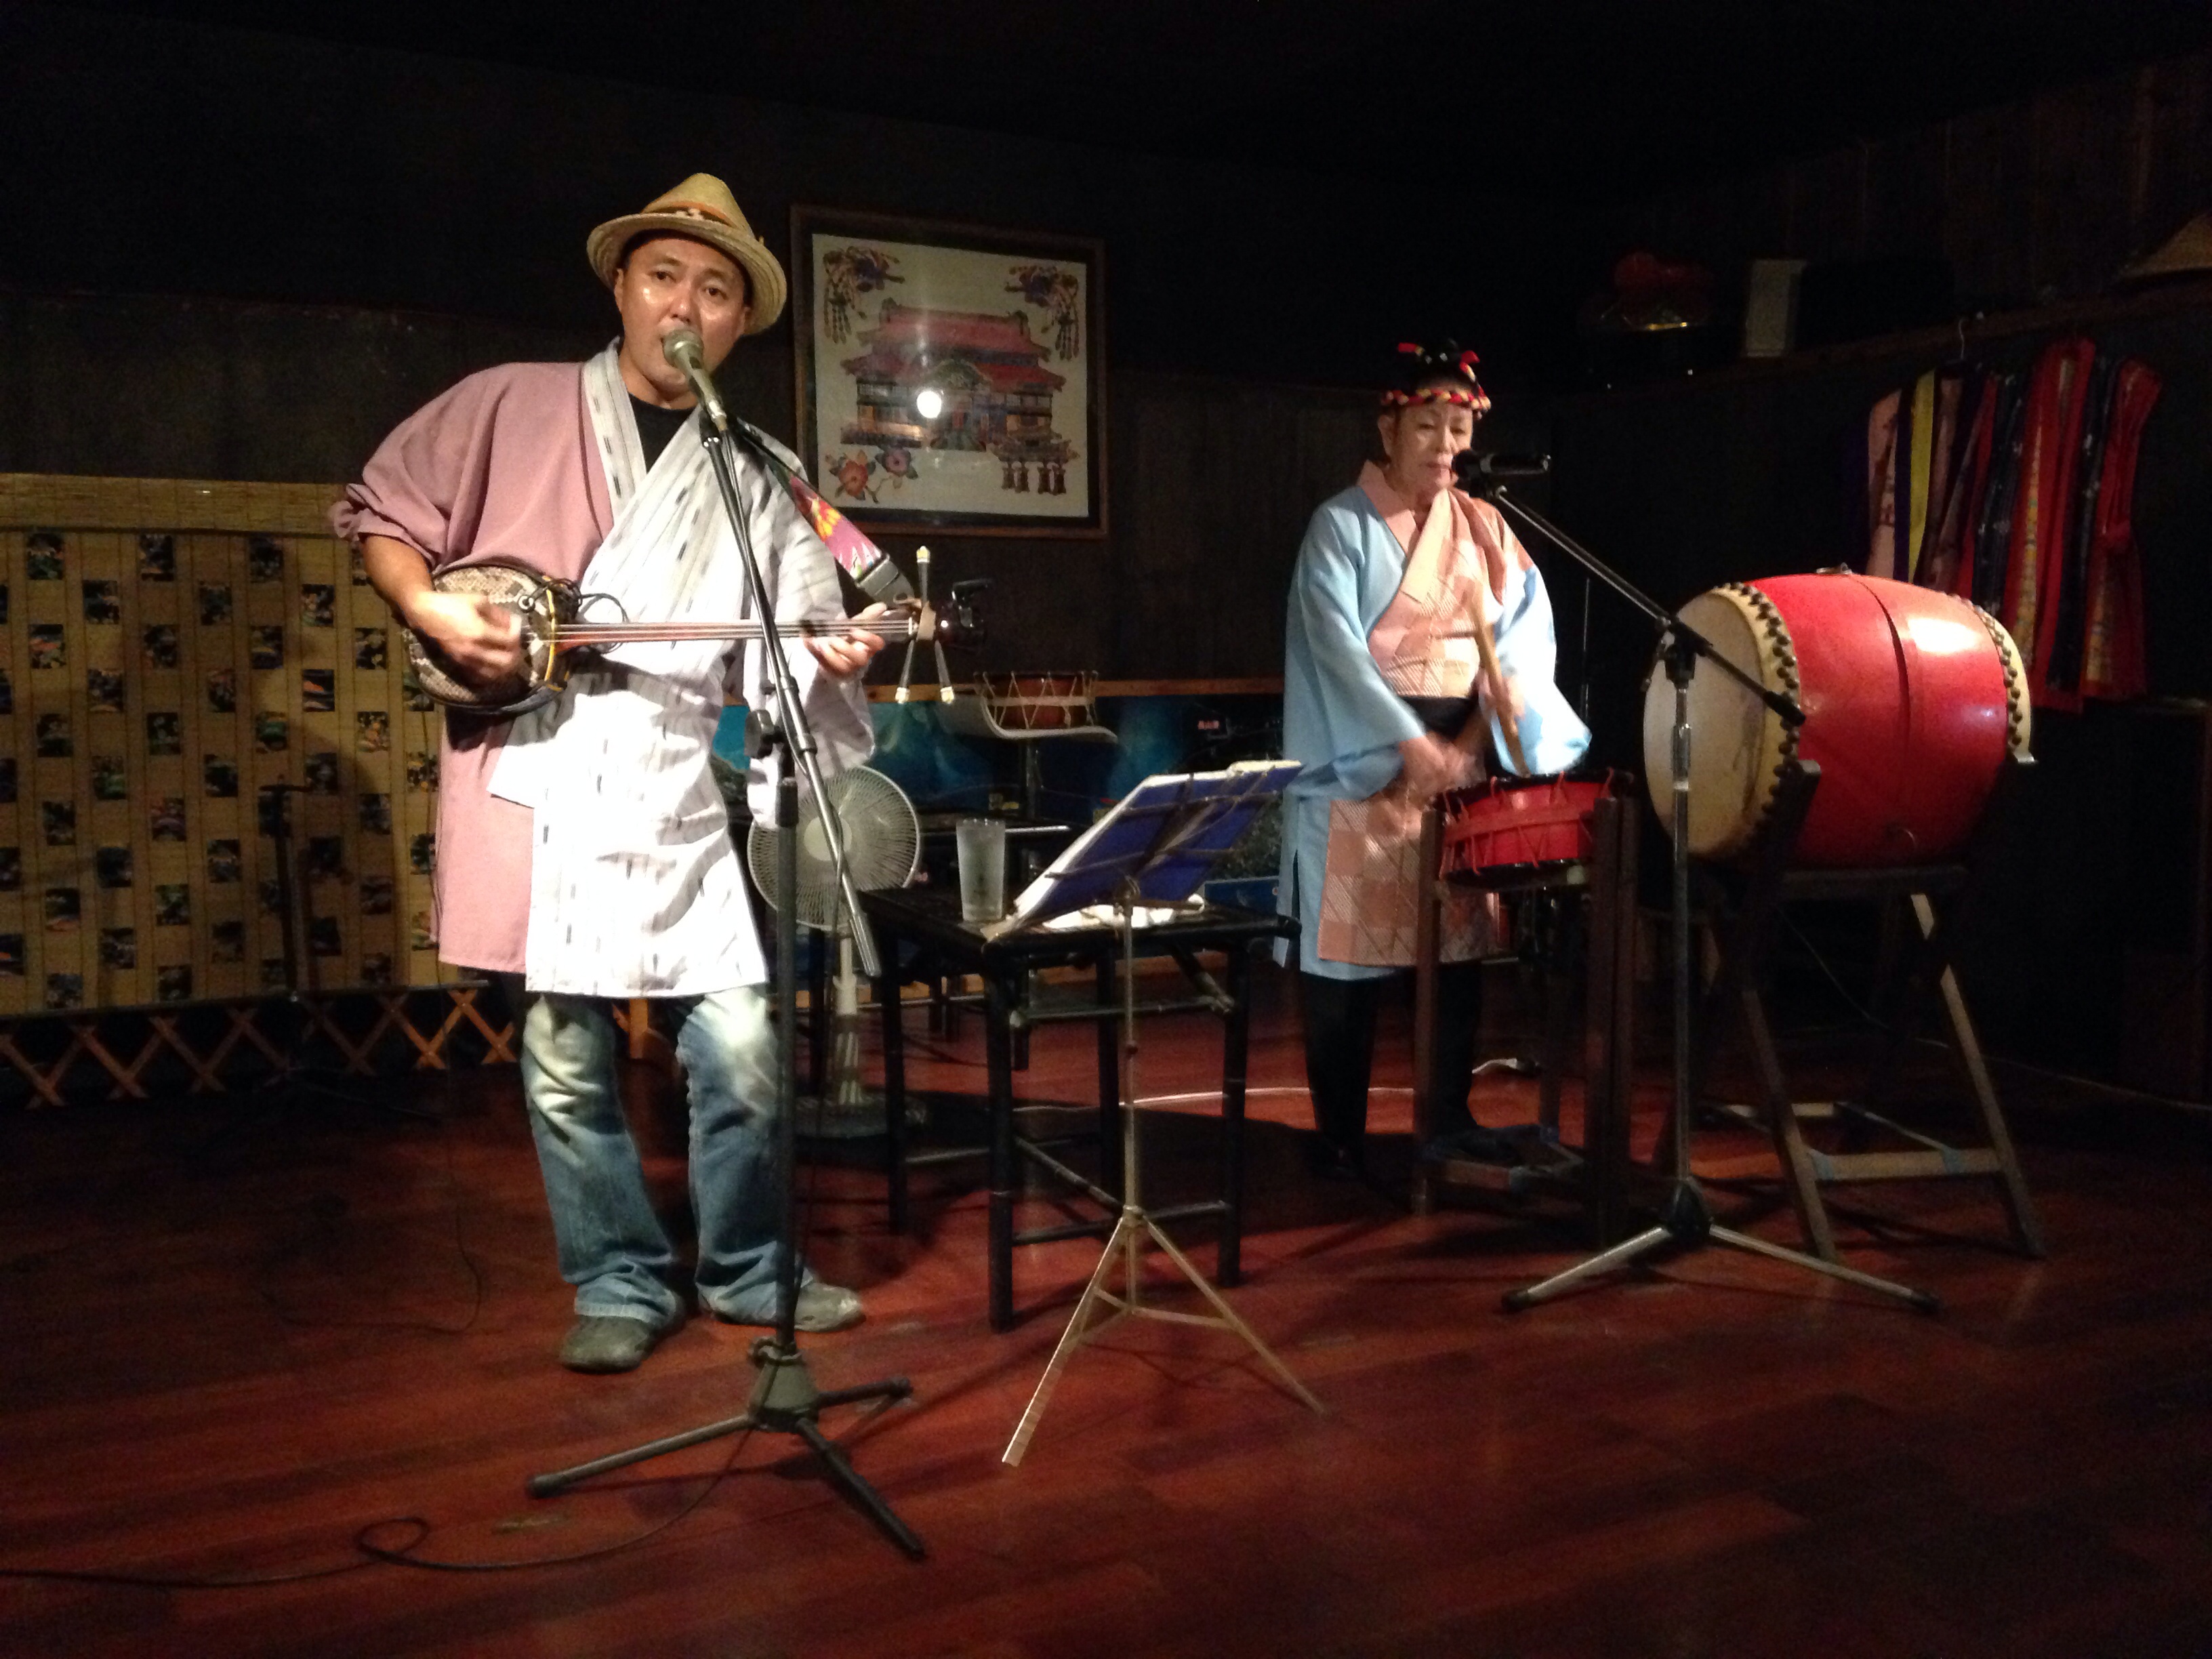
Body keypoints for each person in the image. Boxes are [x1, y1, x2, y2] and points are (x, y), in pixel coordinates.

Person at [333, 175, 886, 1374]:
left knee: (743, 1050)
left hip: (674, 784)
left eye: (717, 290)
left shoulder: (759, 468)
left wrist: (830, 651)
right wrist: (430, 606)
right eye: (665, 276)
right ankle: (618, 1276)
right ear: (623, 288)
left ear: (740, 322)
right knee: (564, 1056)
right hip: (538, 768)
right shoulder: (509, 402)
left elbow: (790, 639)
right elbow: (383, 512)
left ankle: (749, 1268)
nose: (686, 305)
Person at [1277, 342, 1589, 1179]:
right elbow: (1334, 649)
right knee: (1345, 966)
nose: (1446, 446)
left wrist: (1472, 743)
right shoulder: (1341, 526)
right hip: (1366, 763)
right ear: (1388, 429)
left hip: (1461, 765)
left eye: (1458, 431)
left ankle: (1448, 1115)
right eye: (1427, 427)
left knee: (1455, 961)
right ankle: (1340, 1132)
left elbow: (1523, 648)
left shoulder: (1487, 527)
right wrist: (1408, 743)